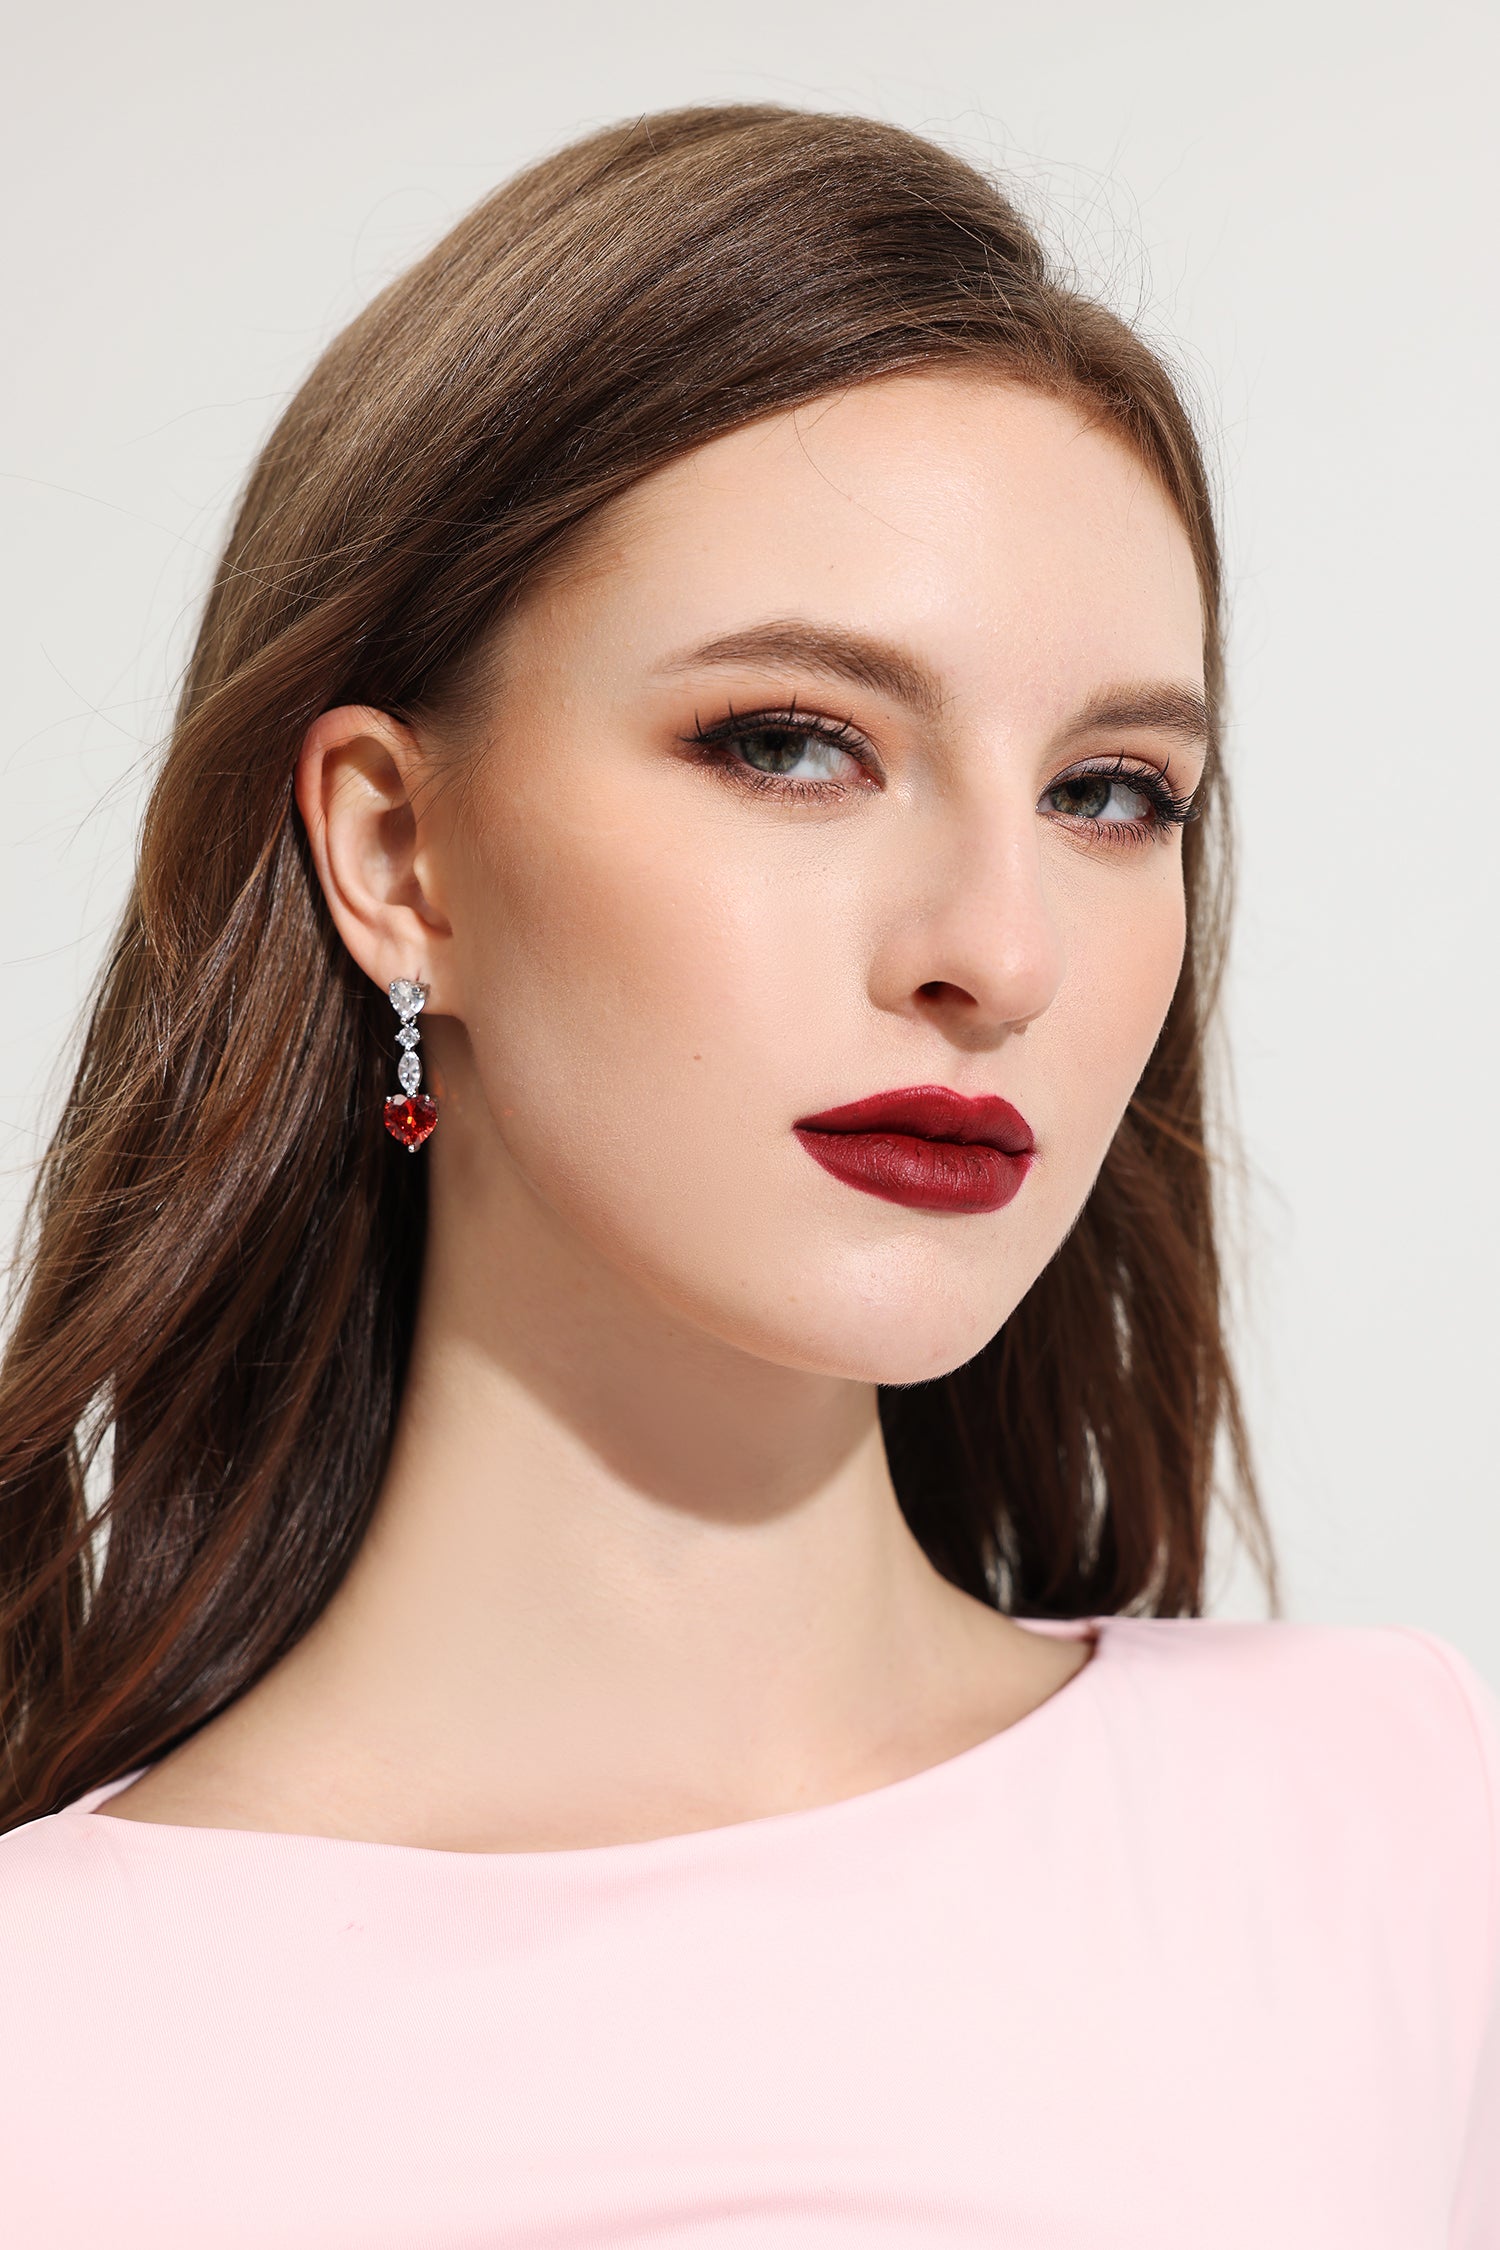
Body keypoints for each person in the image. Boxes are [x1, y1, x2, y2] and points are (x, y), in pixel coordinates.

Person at [0, 102, 1494, 2246]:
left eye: (1110, 791)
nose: (998, 952)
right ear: (397, 854)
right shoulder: (49, 2043)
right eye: (794, 743)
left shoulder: (1384, 1826)